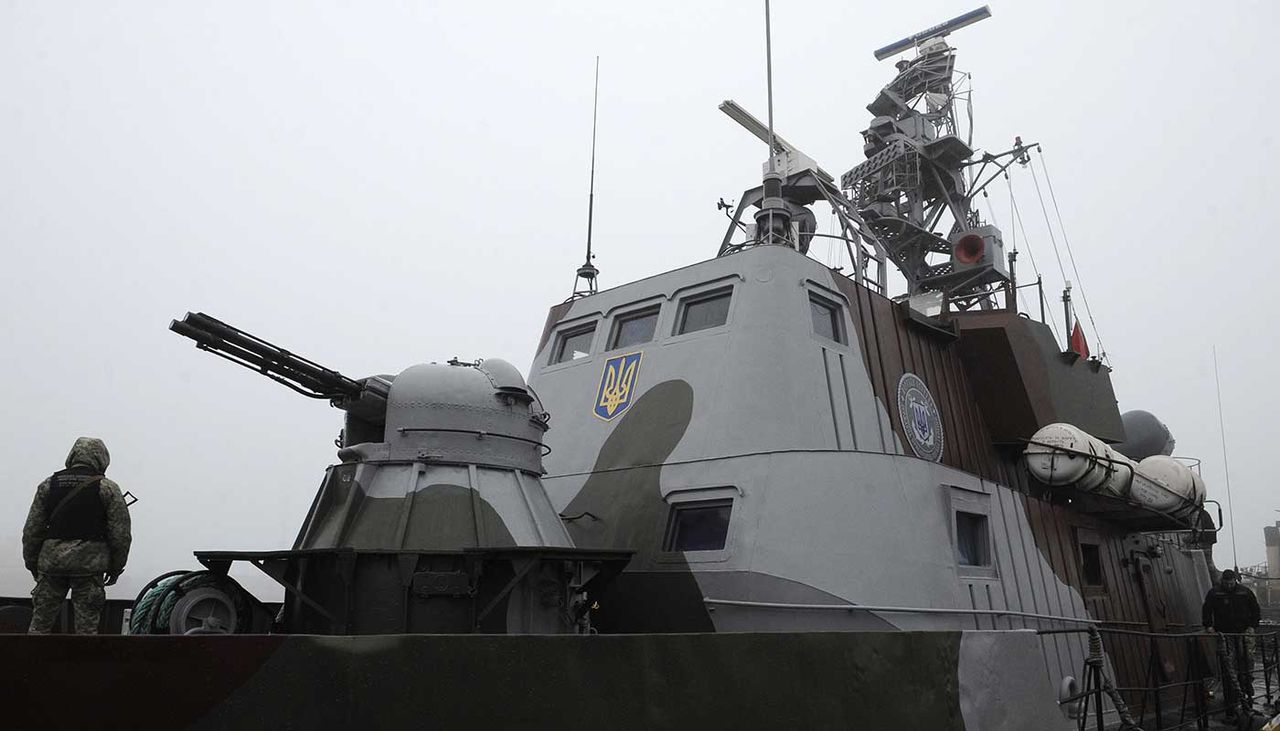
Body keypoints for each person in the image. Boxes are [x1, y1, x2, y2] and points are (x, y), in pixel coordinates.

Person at [22, 437, 132, 634]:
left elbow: (32, 531)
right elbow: (120, 535)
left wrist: (32, 564)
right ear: (102, 459)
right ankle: (84, 663)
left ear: (72, 456)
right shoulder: (108, 488)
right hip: (88, 567)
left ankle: (30, 662)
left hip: (51, 564)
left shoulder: (48, 485)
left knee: (39, 627)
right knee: (86, 631)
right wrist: (115, 568)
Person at [1202, 568, 1261, 716]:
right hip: (1225, 633)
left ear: (1235, 580)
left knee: (1247, 660)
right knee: (1228, 664)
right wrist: (1208, 625)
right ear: (1223, 581)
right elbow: (1207, 609)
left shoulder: (1245, 592)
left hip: (1243, 631)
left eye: (1231, 582)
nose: (1229, 585)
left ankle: (1247, 688)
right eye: (1226, 583)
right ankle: (1231, 695)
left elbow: (1255, 608)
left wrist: (1253, 625)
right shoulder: (1215, 593)